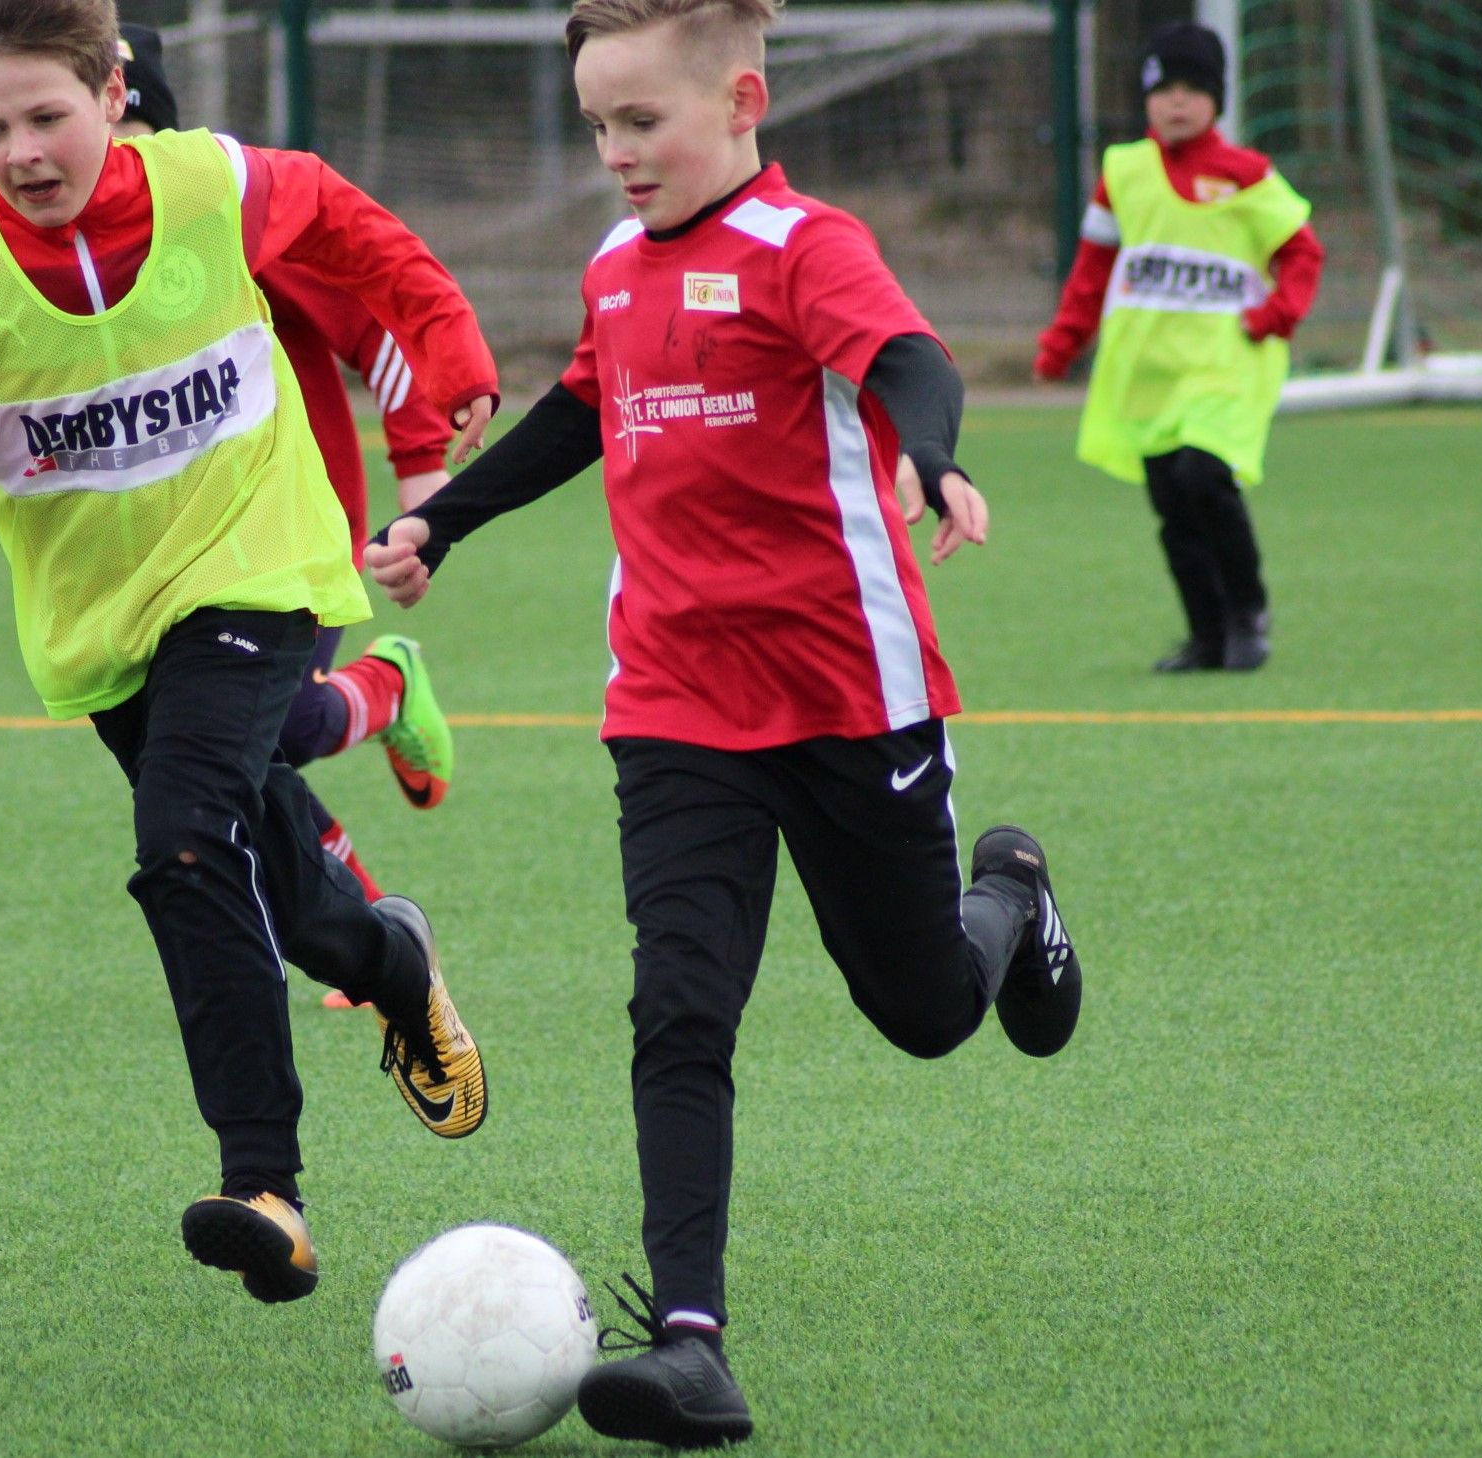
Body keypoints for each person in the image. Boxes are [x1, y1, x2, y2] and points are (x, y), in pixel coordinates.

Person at [361, 0, 1084, 1443]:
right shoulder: (618, 267)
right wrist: (446, 516)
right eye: (597, 127)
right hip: (675, 703)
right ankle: (692, 1337)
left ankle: (1009, 890)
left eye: (641, 123)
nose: (616, 155)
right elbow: (581, 409)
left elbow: (907, 363)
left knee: (927, 1009)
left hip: (844, 693)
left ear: (741, 102)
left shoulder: (805, 249)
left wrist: (934, 459)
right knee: (680, 1002)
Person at [0, 0, 500, 1305]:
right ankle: (388, 961)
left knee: (185, 832)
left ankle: (267, 1187)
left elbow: (369, 245)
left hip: (258, 569)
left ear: (115, 86)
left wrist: (449, 346)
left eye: (48, 116)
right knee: (297, 903)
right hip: (104, 629)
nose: (23, 150)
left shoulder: (218, 185)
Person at [112, 23, 459, 943]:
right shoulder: (58, 261)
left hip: (293, 530)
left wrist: (423, 481)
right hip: (159, 555)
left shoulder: (229, 221)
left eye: (132, 145)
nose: (112, 169)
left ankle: (387, 687)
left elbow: (384, 329)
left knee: (281, 731)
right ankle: (355, 915)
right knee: (199, 753)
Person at [1034, 21, 1322, 672]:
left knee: (1204, 476)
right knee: (1170, 503)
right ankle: (1206, 634)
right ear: (1145, 99)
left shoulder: (1246, 175)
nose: (1178, 101)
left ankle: (1248, 614)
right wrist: (1063, 341)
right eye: (1165, 88)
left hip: (1223, 365)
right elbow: (1093, 266)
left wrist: (1276, 314)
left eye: (1194, 88)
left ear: (1218, 98)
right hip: (1148, 369)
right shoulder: (1124, 171)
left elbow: (1303, 253)